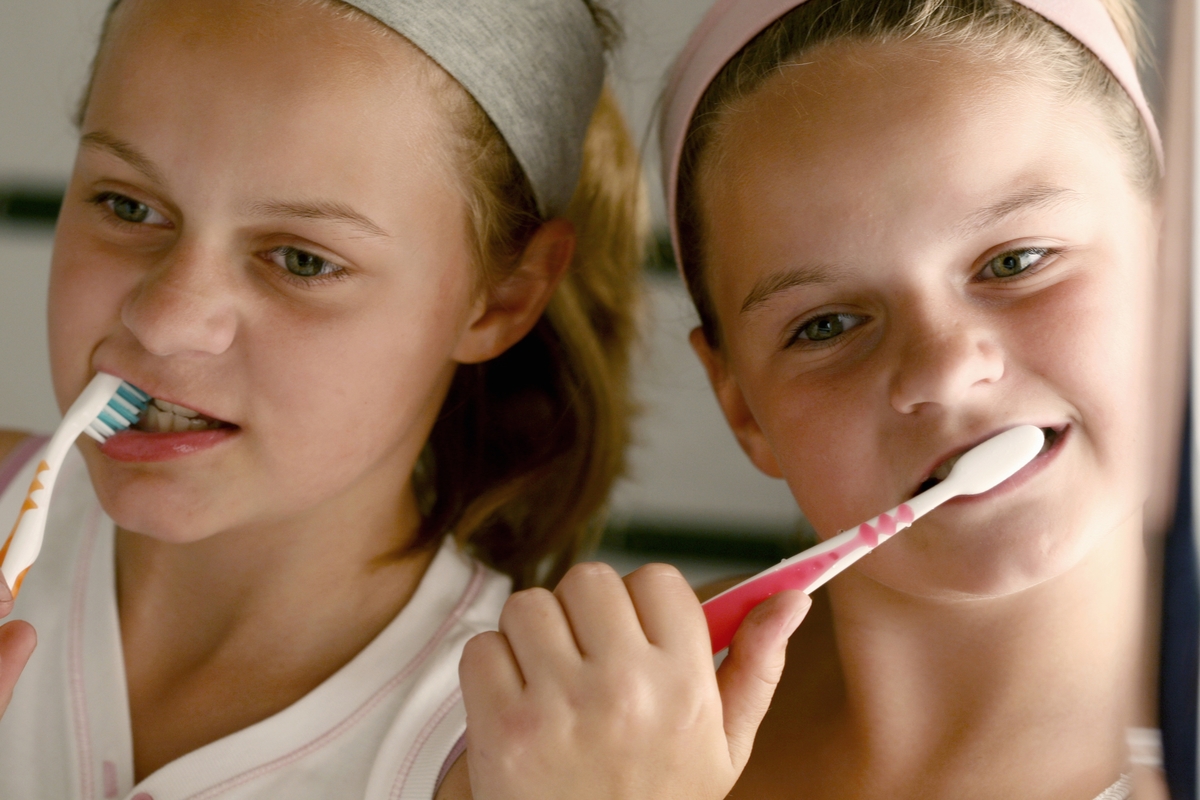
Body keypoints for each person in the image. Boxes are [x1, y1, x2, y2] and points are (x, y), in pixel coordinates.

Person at [459, 0, 1168, 798]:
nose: (941, 368)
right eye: (826, 325)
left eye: (1017, 261)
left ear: (1177, 262)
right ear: (742, 407)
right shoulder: (582, 728)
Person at [0, 0, 645, 797]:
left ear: (502, 297)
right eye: (127, 205)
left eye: (301, 260)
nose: (165, 321)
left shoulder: (509, 758)